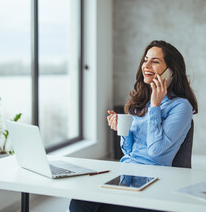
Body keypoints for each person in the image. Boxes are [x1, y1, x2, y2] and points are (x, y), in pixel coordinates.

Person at [69, 40, 198, 212]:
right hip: (127, 173)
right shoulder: (141, 102)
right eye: (145, 60)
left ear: (171, 72)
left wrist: (155, 106)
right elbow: (129, 151)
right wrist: (123, 130)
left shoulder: (181, 106)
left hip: (154, 180)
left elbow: (155, 151)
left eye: (155, 61)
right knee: (78, 202)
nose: (146, 65)